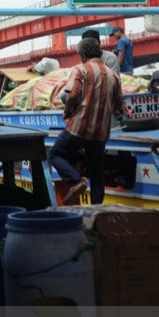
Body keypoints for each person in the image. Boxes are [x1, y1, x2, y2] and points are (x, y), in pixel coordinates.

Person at [48, 38, 125, 205]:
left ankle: (76, 181)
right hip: (100, 133)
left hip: (79, 128)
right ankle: (97, 215)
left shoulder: (81, 70)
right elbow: (119, 105)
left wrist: (67, 110)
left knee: (55, 154)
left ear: (83, 55)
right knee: (97, 174)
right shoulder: (113, 75)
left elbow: (73, 94)